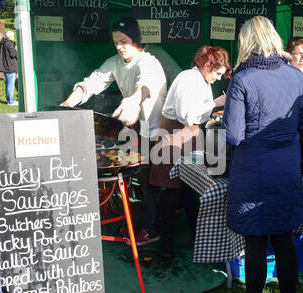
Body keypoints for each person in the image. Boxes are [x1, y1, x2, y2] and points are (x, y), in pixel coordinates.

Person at [222, 16, 303, 293]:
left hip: (253, 170)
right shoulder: (296, 75)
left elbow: (233, 135)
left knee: (256, 241)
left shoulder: (243, 78)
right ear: (273, 38)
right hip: (286, 167)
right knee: (284, 237)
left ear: (246, 42)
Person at [60, 17, 168, 244]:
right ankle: (135, 219)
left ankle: (152, 229)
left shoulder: (148, 63)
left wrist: (132, 101)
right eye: (116, 41)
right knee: (140, 177)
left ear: (136, 40)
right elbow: (92, 82)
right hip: (138, 129)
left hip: (157, 129)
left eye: (124, 41)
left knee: (150, 182)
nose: (119, 46)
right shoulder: (116, 62)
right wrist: (68, 105)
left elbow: (145, 86)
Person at [149, 45, 231, 257]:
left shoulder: (201, 80)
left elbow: (197, 117)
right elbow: (188, 116)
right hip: (176, 134)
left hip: (190, 136)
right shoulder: (187, 79)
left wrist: (210, 117)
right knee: (172, 191)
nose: (220, 78)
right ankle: (166, 247)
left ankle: (196, 237)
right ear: (207, 65)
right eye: (218, 73)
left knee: (186, 189)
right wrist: (216, 103)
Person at [0, 31, 18, 106]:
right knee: (10, 84)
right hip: (10, 66)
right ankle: (11, 101)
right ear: (10, 36)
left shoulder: (2, 42)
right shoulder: (9, 43)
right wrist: (16, 50)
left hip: (4, 66)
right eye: (13, 36)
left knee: (8, 84)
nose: (13, 37)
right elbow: (13, 54)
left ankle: (9, 99)